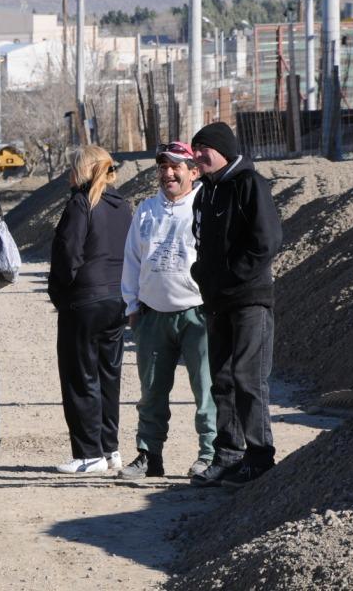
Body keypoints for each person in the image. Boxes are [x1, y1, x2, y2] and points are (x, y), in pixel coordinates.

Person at [188, 122, 283, 488]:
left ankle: (259, 457)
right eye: (194, 149)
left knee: (248, 378)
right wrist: (204, 276)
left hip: (248, 300)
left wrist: (231, 276)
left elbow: (267, 241)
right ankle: (228, 456)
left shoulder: (250, 185)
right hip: (217, 302)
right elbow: (201, 244)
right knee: (222, 381)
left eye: (203, 149)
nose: (197, 156)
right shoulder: (206, 192)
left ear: (223, 149)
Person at [119, 141, 216, 480]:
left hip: (197, 314)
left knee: (206, 391)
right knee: (151, 393)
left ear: (194, 171)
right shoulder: (146, 210)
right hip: (152, 316)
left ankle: (210, 456)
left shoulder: (204, 207)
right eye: (163, 167)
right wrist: (132, 306)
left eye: (176, 166)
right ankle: (149, 456)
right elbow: (131, 261)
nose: (168, 173)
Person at [47, 145, 132, 474]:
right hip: (117, 300)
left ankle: (88, 453)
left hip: (83, 301)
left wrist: (59, 291)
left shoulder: (81, 203)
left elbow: (68, 254)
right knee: (109, 376)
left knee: (80, 377)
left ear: (81, 170)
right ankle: (110, 449)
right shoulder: (122, 205)